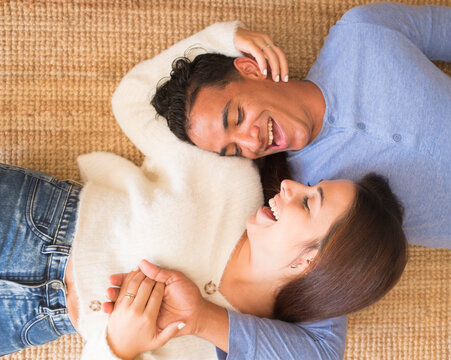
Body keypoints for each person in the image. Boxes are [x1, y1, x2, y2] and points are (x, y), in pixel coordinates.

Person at [111, 2, 451, 360]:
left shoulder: (362, 32)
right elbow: (320, 350)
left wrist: (226, 36)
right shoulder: (307, 213)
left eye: (237, 115)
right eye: (232, 149)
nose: (251, 141)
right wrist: (200, 318)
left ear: (251, 70)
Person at [0, 27, 407, 359]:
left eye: (307, 200)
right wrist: (225, 40)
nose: (289, 183)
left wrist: (118, 346)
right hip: (35, 220)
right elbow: (136, 100)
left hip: (29, 319)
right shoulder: (230, 172)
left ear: (309, 261)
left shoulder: (221, 346)